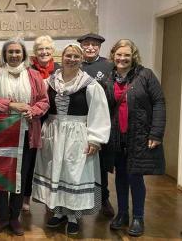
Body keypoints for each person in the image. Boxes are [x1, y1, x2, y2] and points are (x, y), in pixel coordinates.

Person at [32, 44, 111, 235]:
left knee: (74, 174)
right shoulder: (48, 82)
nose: (72, 59)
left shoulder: (90, 85)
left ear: (81, 59)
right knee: (56, 172)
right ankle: (58, 212)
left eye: (76, 56)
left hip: (78, 135)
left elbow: (99, 112)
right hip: (54, 133)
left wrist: (95, 139)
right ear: (62, 57)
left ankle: (74, 216)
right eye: (69, 55)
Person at [0, 38, 49, 236]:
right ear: (4, 54)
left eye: (17, 52)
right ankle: (2, 217)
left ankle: (14, 218)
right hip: (1, 133)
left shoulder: (34, 75)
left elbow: (44, 101)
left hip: (27, 132)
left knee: (20, 176)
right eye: (10, 52)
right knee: (0, 177)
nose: (14, 55)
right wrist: (11, 105)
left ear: (24, 54)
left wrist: (33, 111)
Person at [105, 39, 166, 237]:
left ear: (133, 56)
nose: (122, 58)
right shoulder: (108, 78)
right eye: (119, 54)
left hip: (139, 135)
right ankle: (122, 213)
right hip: (116, 136)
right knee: (120, 176)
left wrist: (156, 133)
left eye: (127, 55)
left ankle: (138, 217)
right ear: (113, 55)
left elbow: (159, 103)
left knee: (135, 177)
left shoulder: (145, 75)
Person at [21, 35, 60, 212]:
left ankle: (50, 198)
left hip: (54, 121)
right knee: (29, 162)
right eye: (40, 49)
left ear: (52, 51)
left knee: (51, 161)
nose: (44, 52)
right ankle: (25, 197)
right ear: (35, 53)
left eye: (47, 49)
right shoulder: (26, 69)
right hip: (33, 120)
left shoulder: (60, 70)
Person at [77, 33, 115, 217]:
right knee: (79, 163)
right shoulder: (76, 64)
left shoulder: (108, 65)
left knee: (101, 164)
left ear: (99, 47)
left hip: (100, 120)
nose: (90, 48)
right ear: (81, 47)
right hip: (79, 122)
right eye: (86, 44)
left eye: (94, 45)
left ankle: (103, 198)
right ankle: (79, 199)